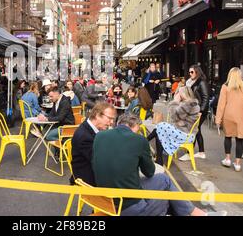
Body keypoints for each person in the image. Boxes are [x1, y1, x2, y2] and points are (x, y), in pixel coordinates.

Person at [92, 113, 225, 216]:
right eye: (138, 130)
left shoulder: (99, 136)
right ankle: (195, 213)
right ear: (135, 127)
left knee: (163, 185)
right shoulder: (138, 140)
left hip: (105, 200)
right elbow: (149, 172)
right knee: (164, 182)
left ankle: (193, 212)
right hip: (127, 206)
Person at [148, 86, 200, 165]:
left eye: (179, 92)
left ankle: (146, 141)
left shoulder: (188, 104)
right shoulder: (190, 103)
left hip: (185, 134)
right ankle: (158, 158)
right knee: (160, 129)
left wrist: (175, 102)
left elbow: (174, 116)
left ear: (183, 93)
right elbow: (177, 119)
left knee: (161, 126)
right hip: (185, 131)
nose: (178, 94)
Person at [71, 102, 116, 185]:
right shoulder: (84, 136)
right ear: (97, 115)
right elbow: (99, 161)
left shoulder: (90, 128)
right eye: (109, 118)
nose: (111, 122)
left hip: (91, 169)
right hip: (88, 178)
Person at [216, 67, 243, 172]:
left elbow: (221, 105)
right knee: (239, 139)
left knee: (228, 137)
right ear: (240, 75)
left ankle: (227, 159)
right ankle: (237, 163)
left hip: (229, 116)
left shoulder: (225, 87)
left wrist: (218, 119)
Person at [179, 65, 209, 161]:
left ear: (197, 72)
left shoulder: (201, 82)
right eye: (189, 72)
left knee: (193, 129)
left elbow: (205, 98)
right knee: (196, 129)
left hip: (199, 110)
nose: (190, 74)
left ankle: (189, 153)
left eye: (192, 72)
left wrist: (201, 111)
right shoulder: (190, 82)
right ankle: (201, 152)